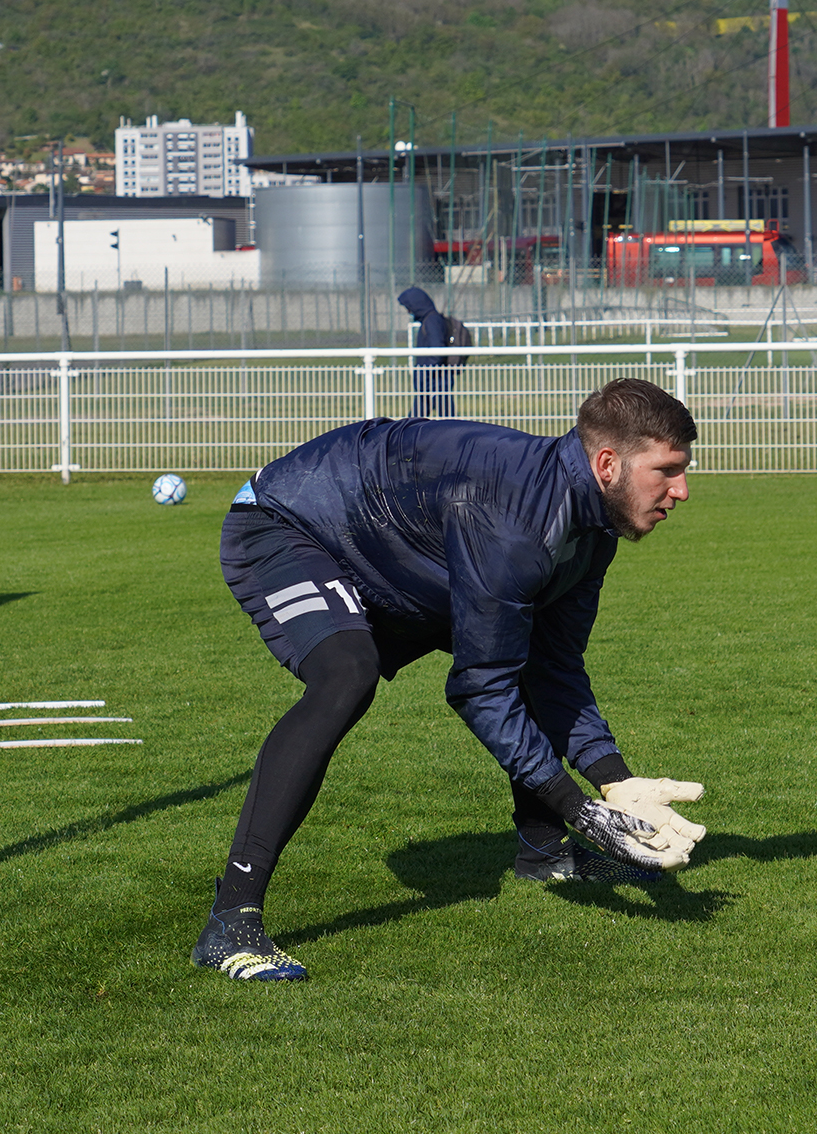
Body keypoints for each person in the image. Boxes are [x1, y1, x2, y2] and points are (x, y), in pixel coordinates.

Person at [193, 378, 707, 982]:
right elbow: (479, 687)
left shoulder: (593, 530)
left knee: (527, 652)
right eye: (667, 470)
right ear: (607, 463)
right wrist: (581, 808)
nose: (682, 489)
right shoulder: (514, 524)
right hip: (289, 522)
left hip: (393, 551)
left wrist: (615, 783)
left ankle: (545, 854)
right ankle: (231, 918)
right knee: (345, 676)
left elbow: (557, 667)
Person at [399, 286, 456, 418]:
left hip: (435, 382)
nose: (408, 311)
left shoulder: (432, 321)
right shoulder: (429, 320)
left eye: (409, 307)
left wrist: (426, 373)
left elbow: (437, 350)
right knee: (415, 420)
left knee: (448, 422)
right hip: (430, 381)